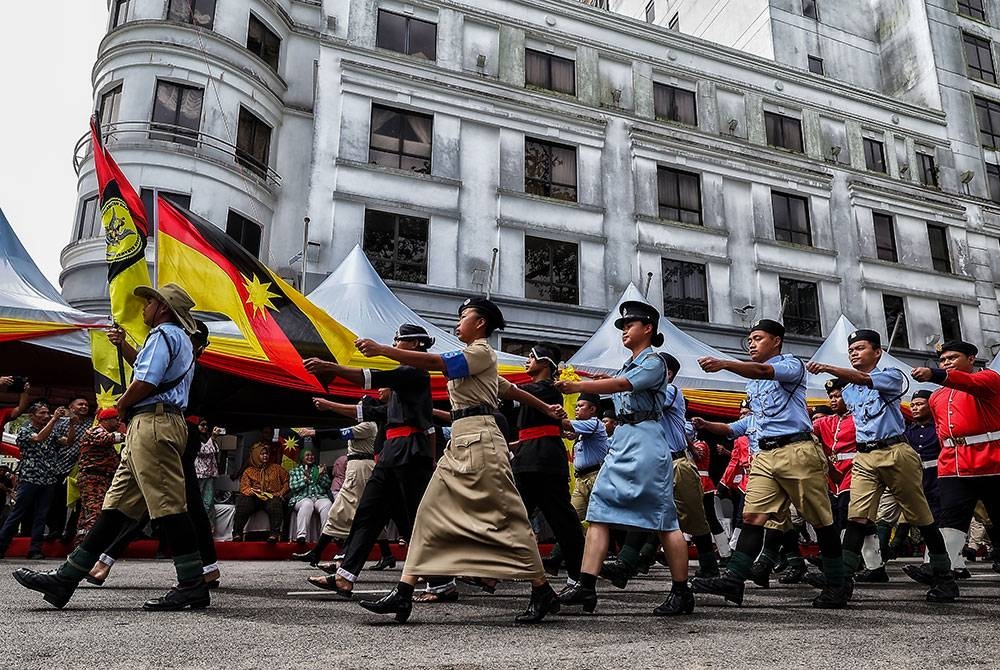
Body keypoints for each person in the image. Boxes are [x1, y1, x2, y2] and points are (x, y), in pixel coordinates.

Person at [351, 299, 565, 623]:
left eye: (464, 316)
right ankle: (403, 592)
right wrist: (546, 407)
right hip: (459, 443)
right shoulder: (475, 360)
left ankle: (542, 589)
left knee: (508, 516)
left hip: (482, 441)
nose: (458, 322)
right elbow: (509, 390)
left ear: (480, 323)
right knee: (427, 512)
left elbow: (436, 361)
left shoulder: (481, 353)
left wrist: (383, 350)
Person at [13, 282, 208, 611]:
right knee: (115, 508)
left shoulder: (162, 334)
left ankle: (192, 585)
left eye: (149, 302)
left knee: (169, 505)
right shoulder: (181, 339)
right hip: (155, 423)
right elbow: (148, 368)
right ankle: (66, 579)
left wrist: (120, 405)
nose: (144, 307)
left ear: (163, 308)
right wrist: (124, 347)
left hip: (153, 422)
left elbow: (146, 381)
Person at [691, 318, 848, 608]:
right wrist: (706, 424)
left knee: (821, 521)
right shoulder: (753, 382)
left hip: (797, 450)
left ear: (776, 341)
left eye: (758, 338)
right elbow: (740, 426)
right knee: (753, 517)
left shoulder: (792, 364)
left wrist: (724, 364)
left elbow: (765, 370)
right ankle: (734, 579)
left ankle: (838, 582)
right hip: (765, 455)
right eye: (750, 340)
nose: (751, 344)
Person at [555, 301, 695, 617]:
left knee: (664, 519)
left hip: (646, 440)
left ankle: (681, 592)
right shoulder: (627, 365)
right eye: (623, 326)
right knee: (599, 510)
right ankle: (586, 584)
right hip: (622, 441)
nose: (624, 331)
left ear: (648, 328)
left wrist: (579, 385)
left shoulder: (655, 362)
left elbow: (622, 385)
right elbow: (619, 384)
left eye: (630, 325)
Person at [806, 329, 954, 602]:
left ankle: (944, 576)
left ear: (877, 352)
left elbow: (866, 379)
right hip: (865, 457)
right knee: (857, 517)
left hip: (895, 452)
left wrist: (828, 368)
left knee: (921, 516)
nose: (854, 353)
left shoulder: (891, 376)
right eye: (851, 350)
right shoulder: (848, 390)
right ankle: (840, 582)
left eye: (860, 348)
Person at [299, 324, 439, 600]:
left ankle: (441, 582)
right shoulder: (402, 383)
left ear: (414, 344)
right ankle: (345, 576)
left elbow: (372, 377)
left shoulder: (415, 372)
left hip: (410, 453)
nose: (395, 344)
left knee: (417, 519)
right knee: (368, 512)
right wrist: (329, 404)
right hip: (392, 454)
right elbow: (370, 409)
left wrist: (332, 367)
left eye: (398, 340)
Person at [906, 340, 1000, 591]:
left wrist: (934, 374)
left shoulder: (988, 379)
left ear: (971, 359)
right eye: (943, 360)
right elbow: (941, 431)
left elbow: (967, 384)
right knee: (949, 519)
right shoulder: (937, 396)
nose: (946, 363)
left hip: (991, 461)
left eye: (952, 357)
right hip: (953, 464)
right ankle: (942, 574)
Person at [508, 343, 585, 590]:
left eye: (531, 357)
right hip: (529, 456)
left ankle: (579, 576)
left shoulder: (548, 390)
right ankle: (495, 570)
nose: (526, 361)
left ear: (544, 363)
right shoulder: (531, 390)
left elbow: (512, 391)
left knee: (561, 519)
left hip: (545, 459)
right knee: (515, 515)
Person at [295, 420, 378, 569]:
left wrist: (313, 432)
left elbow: (338, 433)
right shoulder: (363, 425)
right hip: (356, 468)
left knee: (354, 512)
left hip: (361, 470)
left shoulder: (367, 426)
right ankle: (318, 552)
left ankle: (342, 555)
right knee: (342, 512)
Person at [544, 392, 609, 576]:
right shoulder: (582, 432)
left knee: (599, 521)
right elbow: (567, 431)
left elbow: (565, 425)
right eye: (577, 406)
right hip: (582, 479)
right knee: (571, 519)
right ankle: (556, 559)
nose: (577, 409)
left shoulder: (594, 424)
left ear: (593, 409)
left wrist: (546, 413)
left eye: (581, 406)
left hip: (596, 478)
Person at [0, 402, 67, 559]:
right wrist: (54, 419)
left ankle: (35, 549)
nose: (46, 416)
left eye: (47, 413)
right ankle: (1, 545)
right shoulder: (25, 430)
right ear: (31, 416)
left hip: (48, 478)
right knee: (17, 513)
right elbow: (38, 438)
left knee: (41, 515)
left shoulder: (52, 431)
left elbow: (68, 441)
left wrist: (71, 424)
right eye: (42, 413)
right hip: (29, 478)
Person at [74, 408, 125, 539]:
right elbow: (105, 438)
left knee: (88, 513)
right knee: (95, 512)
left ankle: (82, 542)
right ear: (106, 420)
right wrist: (129, 436)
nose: (119, 422)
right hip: (93, 479)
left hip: (101, 479)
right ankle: (90, 544)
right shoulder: (95, 431)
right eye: (116, 419)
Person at [47, 396, 91, 542]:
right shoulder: (60, 424)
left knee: (79, 503)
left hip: (83, 469)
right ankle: (55, 530)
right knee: (58, 501)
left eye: (86, 405)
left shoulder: (92, 424)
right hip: (62, 467)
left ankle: (70, 532)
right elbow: (61, 442)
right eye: (80, 404)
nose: (84, 407)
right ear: (71, 408)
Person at [232, 444, 289, 542]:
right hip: (254, 497)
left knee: (275, 504)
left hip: (271, 496)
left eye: (266, 453)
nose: (265, 456)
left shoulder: (276, 468)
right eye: (262, 454)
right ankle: (237, 533)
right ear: (255, 455)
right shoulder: (249, 471)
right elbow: (244, 487)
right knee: (243, 503)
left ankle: (274, 534)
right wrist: (253, 491)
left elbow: (286, 481)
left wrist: (280, 493)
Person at [287, 447, 333, 544]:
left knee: (327, 504)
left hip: (319, 497)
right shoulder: (295, 471)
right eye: (307, 455)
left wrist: (320, 476)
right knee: (307, 504)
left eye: (312, 455)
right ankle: (301, 536)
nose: (310, 457)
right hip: (301, 498)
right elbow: (293, 487)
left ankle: (325, 536)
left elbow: (327, 485)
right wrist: (304, 480)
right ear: (302, 457)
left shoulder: (319, 469)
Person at [194, 421, 220, 516]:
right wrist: (212, 438)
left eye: (206, 425)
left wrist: (212, 438)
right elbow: (203, 451)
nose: (205, 427)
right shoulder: (194, 438)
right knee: (198, 500)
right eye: (202, 425)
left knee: (208, 502)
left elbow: (215, 450)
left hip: (210, 474)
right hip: (200, 474)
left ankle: (207, 522)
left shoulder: (207, 438)